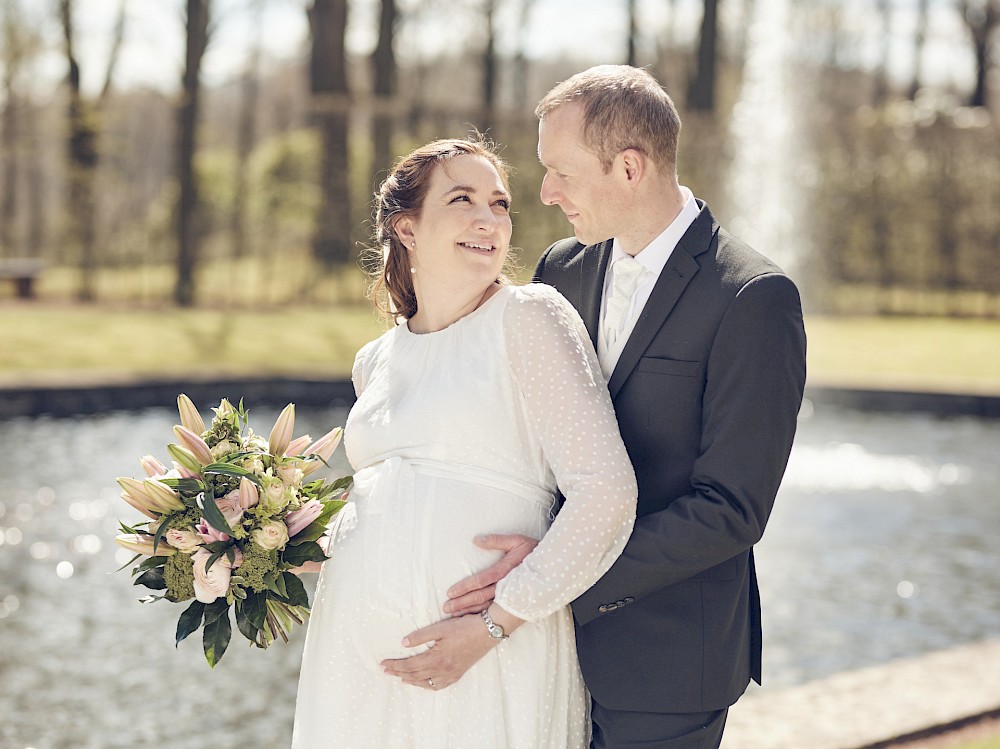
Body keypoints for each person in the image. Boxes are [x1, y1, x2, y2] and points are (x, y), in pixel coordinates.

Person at [386, 66, 807, 748]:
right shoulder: (561, 268)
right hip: (536, 647)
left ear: (630, 167)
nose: (545, 194)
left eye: (562, 172)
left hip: (665, 659)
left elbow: (732, 508)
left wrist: (553, 571)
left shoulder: (752, 298)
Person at [290, 138, 637, 748]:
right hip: (355, 662)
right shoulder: (374, 361)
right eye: (462, 199)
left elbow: (606, 492)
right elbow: (383, 507)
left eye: (499, 204)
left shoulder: (529, 317)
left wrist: (494, 626)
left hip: (488, 657)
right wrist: (259, 538)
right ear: (407, 227)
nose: (489, 219)